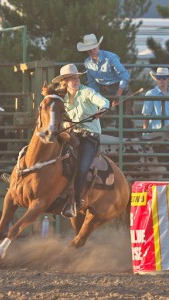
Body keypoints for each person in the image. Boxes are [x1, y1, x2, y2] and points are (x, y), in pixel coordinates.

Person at [52, 63, 110, 218]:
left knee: (82, 167)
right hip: (72, 135)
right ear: (64, 81)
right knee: (50, 150)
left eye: (76, 77)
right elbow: (61, 119)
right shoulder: (62, 98)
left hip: (89, 136)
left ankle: (75, 202)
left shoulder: (87, 92)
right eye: (71, 78)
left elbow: (104, 102)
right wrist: (65, 124)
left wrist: (102, 110)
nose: (76, 80)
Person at [77, 33, 130, 107]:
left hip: (119, 89)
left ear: (98, 46)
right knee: (103, 115)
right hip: (103, 91)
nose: (92, 51)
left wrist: (118, 96)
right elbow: (92, 83)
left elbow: (125, 75)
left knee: (122, 115)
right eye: (89, 49)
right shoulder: (87, 63)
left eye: (94, 48)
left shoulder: (110, 58)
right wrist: (97, 98)